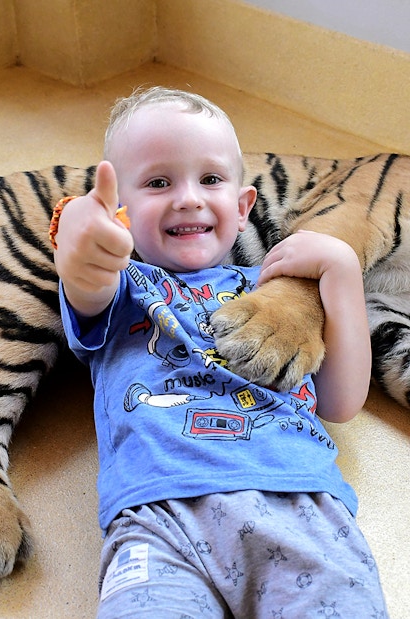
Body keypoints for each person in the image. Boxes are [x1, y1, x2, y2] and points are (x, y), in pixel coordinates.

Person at [53, 87, 388, 618]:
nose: (187, 197)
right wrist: (79, 238)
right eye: (158, 182)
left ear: (242, 207)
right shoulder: (124, 286)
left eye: (209, 179)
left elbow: (342, 402)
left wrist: (342, 274)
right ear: (120, 212)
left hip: (301, 506)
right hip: (157, 520)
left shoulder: (277, 287)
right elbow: (84, 281)